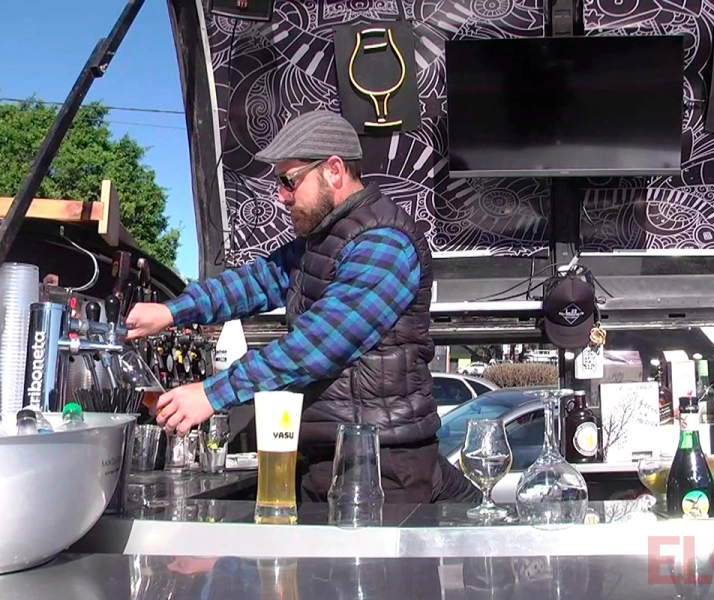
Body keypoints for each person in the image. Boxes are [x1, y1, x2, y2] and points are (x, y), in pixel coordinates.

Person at [126, 110, 478, 504]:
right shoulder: (322, 242)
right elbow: (254, 282)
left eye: (289, 181)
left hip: (381, 463)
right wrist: (172, 311)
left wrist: (212, 393)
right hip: (329, 455)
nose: (281, 196)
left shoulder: (385, 244)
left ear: (333, 169)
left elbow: (319, 344)